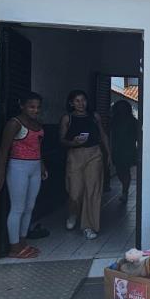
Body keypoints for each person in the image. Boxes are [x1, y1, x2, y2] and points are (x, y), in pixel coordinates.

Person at [0, 91, 48, 259]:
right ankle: (14, 247)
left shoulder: (37, 124)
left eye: (38, 107)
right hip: (18, 167)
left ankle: (23, 241)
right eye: (31, 107)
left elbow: (38, 147)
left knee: (29, 206)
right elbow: (4, 150)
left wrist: (41, 165)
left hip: (34, 167)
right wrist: (0, 173)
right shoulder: (14, 124)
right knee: (18, 207)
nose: (35, 110)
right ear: (22, 106)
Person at [60, 90, 111, 240]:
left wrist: (109, 153)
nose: (81, 103)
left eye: (83, 100)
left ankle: (89, 226)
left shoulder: (95, 116)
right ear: (71, 103)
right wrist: (73, 142)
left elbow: (103, 134)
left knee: (92, 191)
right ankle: (73, 213)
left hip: (94, 154)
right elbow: (61, 140)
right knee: (75, 192)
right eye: (77, 101)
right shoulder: (67, 118)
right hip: (75, 155)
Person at [110, 100, 138, 203]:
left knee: (125, 171)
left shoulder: (133, 121)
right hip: (118, 150)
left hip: (128, 150)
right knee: (120, 171)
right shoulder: (113, 121)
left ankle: (125, 192)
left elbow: (138, 136)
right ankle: (125, 189)